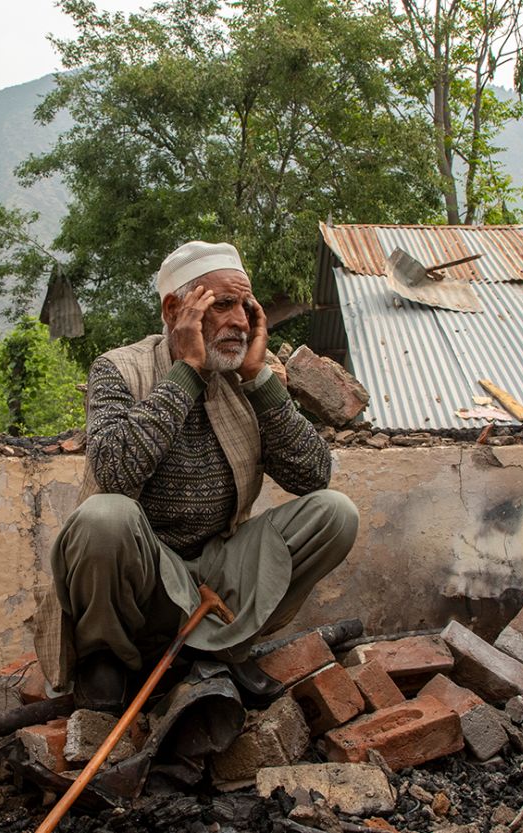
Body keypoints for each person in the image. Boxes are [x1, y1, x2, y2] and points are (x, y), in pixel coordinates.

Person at [34, 240, 360, 712]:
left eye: (247, 308)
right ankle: (106, 658)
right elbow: (114, 472)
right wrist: (187, 370)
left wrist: (259, 380)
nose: (241, 322)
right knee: (105, 517)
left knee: (336, 514)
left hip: (218, 569)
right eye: (222, 305)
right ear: (174, 310)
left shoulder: (246, 375)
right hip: (144, 578)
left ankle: (221, 646)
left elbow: (313, 474)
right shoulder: (119, 368)